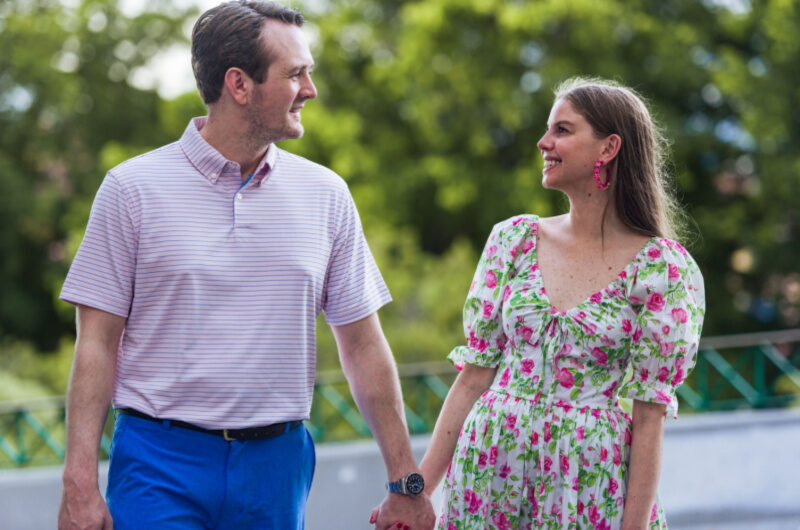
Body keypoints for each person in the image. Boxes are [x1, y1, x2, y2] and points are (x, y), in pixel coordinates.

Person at [56, 2, 435, 529]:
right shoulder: (131, 189)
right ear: (239, 84)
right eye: (295, 74)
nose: (311, 90)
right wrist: (78, 486)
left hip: (276, 467)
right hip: (158, 461)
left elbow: (364, 345)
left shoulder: (326, 194)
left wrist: (405, 482)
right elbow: (96, 342)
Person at [412, 78, 705, 529]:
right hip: (488, 473)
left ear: (608, 148)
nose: (543, 142)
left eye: (562, 130)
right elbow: (473, 378)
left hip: (586, 485)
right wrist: (417, 495)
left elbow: (649, 418)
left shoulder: (661, 269)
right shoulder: (512, 239)